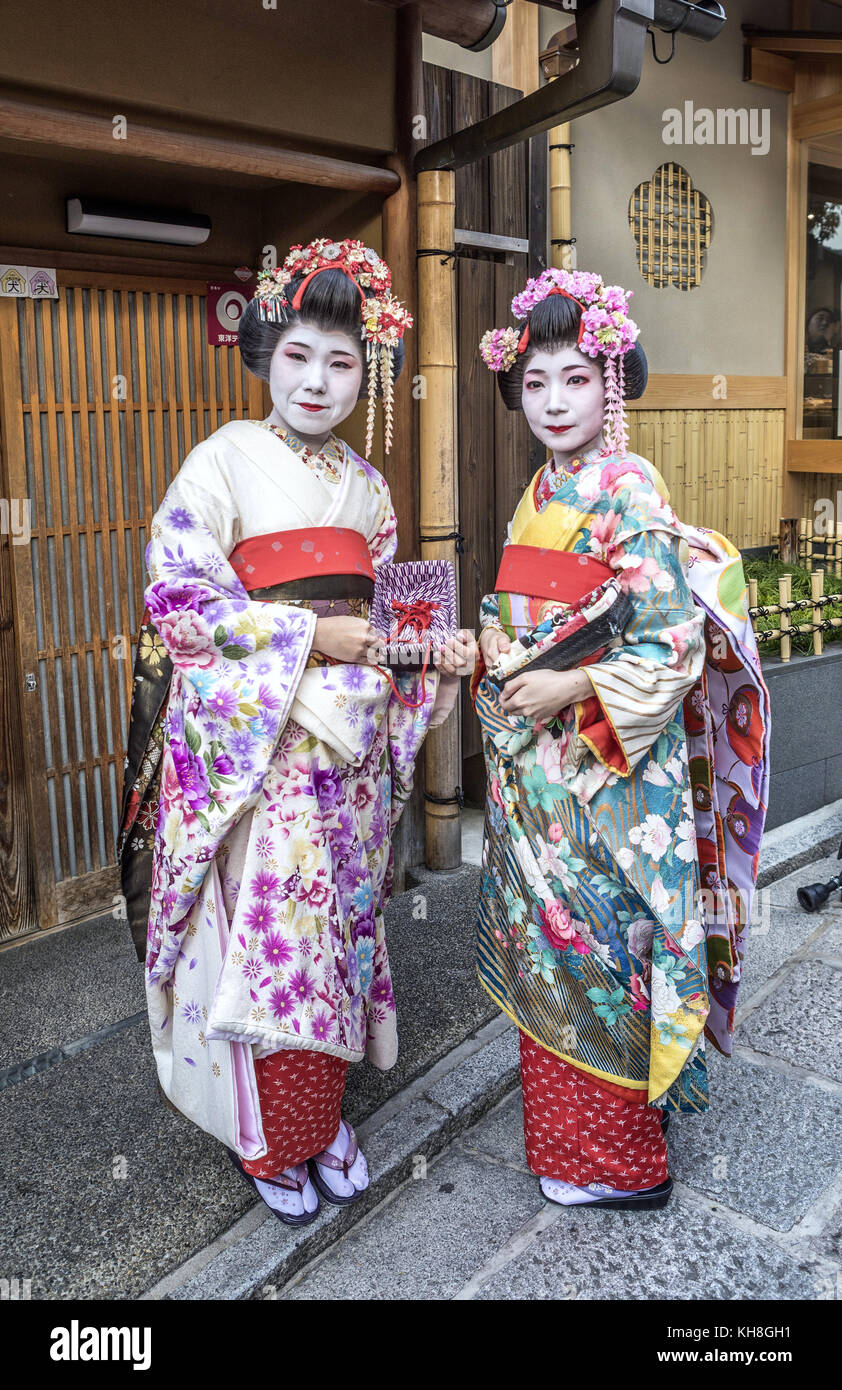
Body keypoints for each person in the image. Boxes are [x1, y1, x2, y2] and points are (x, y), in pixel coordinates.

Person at [118, 237, 475, 1225]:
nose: (318, 380)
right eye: (298, 356)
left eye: (342, 360)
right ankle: (270, 1138)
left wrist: (426, 654)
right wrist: (309, 631)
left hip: (350, 756)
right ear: (264, 356)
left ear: (371, 372)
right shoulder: (218, 462)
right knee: (276, 946)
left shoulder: (369, 490)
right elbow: (178, 607)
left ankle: (321, 1121)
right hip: (263, 750)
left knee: (345, 938)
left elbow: (392, 623)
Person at [472, 268, 770, 1209]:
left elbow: (671, 640)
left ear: (613, 384)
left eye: (575, 378)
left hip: (602, 776)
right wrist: (488, 636)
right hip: (538, 774)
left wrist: (566, 681)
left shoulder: (627, 486)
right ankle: (572, 1151)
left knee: (600, 946)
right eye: (535, 382)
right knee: (551, 948)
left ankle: (618, 1165)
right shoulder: (540, 490)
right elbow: (509, 601)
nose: (554, 401)